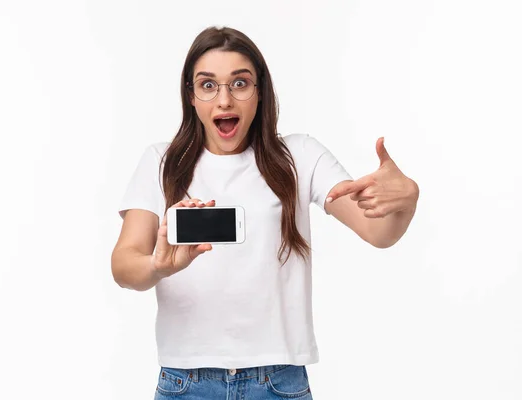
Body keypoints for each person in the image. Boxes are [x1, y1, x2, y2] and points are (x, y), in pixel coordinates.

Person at [111, 26, 419, 400]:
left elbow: (379, 233)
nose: (224, 100)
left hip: (278, 382)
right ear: (191, 96)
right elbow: (124, 266)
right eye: (208, 86)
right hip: (186, 382)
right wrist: (159, 267)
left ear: (259, 92)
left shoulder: (300, 157)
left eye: (239, 84)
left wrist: (406, 200)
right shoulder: (161, 162)